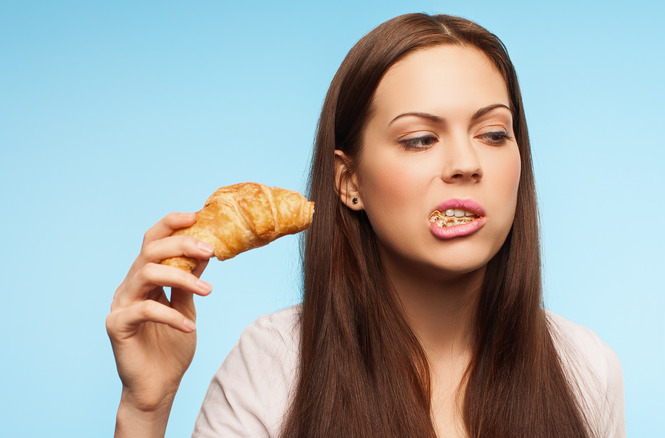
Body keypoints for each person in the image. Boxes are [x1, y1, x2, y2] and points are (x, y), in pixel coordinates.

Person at [107, 13, 625, 438]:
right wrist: (145, 409)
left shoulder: (585, 367)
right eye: (420, 139)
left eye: (492, 133)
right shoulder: (275, 364)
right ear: (348, 181)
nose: (466, 163)